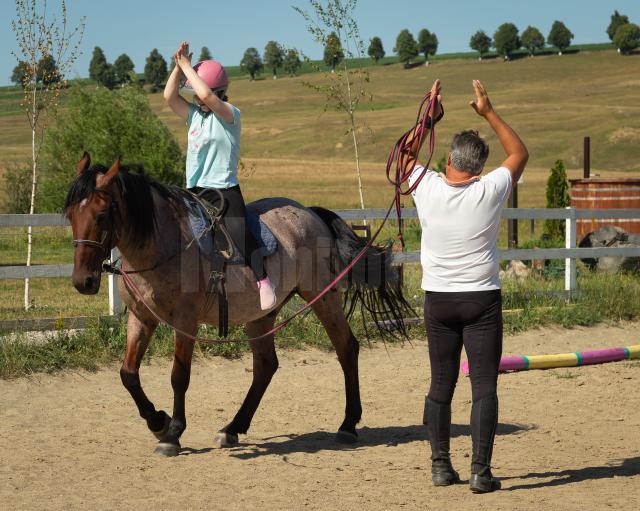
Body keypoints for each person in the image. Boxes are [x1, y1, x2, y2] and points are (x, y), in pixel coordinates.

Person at [406, 79, 528, 493]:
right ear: (479, 166)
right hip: (481, 300)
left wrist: (428, 118)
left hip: (438, 300)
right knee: (484, 386)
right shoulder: (491, 189)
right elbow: (520, 153)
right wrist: (488, 111)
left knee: (440, 384)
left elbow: (403, 156)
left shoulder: (427, 186)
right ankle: (480, 471)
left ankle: (441, 467)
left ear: (449, 158)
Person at [164, 42, 276, 310]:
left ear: (216, 92)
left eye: (199, 94)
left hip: (224, 190)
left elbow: (207, 96)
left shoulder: (230, 115)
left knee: (239, 231)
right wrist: (178, 67)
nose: (195, 99)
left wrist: (188, 68)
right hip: (194, 190)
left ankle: (263, 280)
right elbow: (169, 96)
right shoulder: (194, 116)